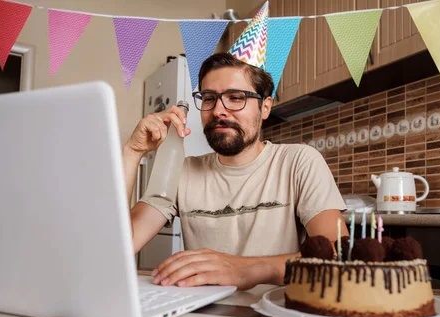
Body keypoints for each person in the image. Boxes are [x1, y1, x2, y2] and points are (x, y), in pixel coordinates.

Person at [122, 52, 348, 290]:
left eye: (235, 97)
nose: (219, 110)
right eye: (209, 98)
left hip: (277, 316)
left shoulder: (299, 162)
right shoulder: (183, 171)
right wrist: (132, 152)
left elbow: (337, 257)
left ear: (265, 108)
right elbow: (118, 248)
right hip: (202, 316)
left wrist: (249, 268)